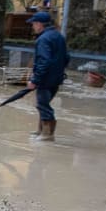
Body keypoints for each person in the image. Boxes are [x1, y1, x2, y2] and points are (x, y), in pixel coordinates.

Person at [26, 11, 69, 141]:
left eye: (33, 23)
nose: (33, 26)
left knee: (42, 104)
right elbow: (66, 57)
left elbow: (43, 61)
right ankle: (41, 131)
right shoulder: (58, 36)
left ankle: (47, 134)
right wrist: (58, 71)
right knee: (43, 103)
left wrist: (34, 79)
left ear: (39, 24)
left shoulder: (43, 39)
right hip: (56, 78)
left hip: (45, 78)